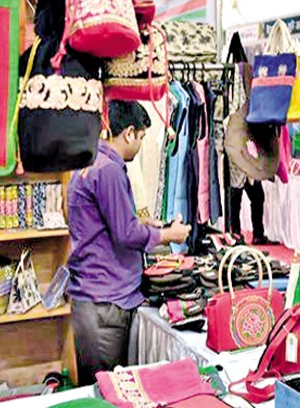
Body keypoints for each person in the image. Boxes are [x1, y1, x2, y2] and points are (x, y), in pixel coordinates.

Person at [67, 100, 191, 385]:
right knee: (107, 389)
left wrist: (145, 225)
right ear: (129, 133)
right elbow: (125, 234)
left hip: (96, 295)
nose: (140, 145)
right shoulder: (108, 169)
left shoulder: (90, 161)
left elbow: (107, 224)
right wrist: (169, 235)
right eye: (142, 138)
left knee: (102, 386)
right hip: (104, 300)